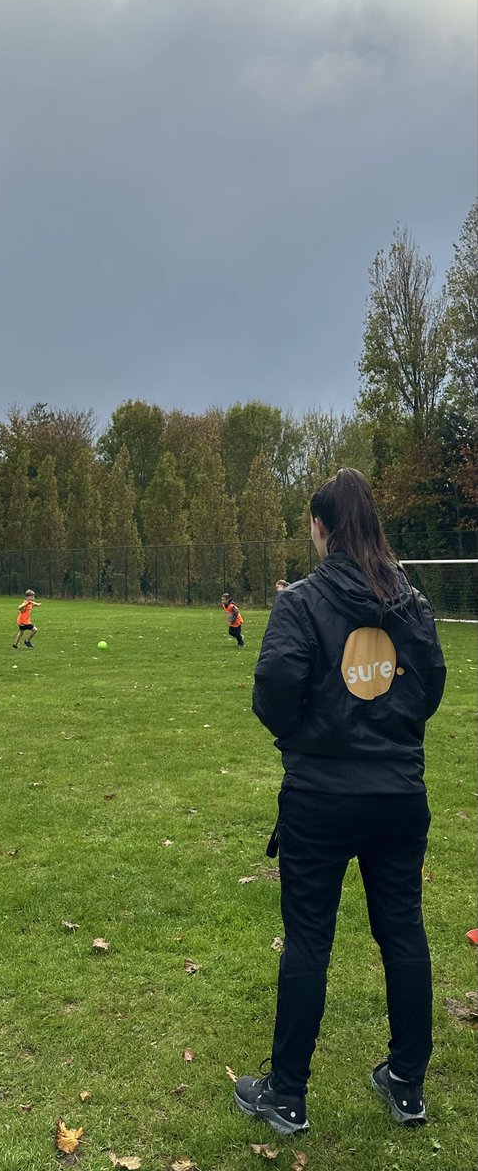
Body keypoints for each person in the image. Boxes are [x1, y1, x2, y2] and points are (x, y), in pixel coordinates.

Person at [234, 468, 446, 1136]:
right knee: (402, 934)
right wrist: (387, 736)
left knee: (308, 941)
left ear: (321, 528)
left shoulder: (300, 602)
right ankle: (406, 1084)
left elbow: (272, 686)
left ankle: (287, 1094)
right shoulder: (411, 603)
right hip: (395, 794)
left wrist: (306, 738)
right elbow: (429, 686)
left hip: (320, 799)